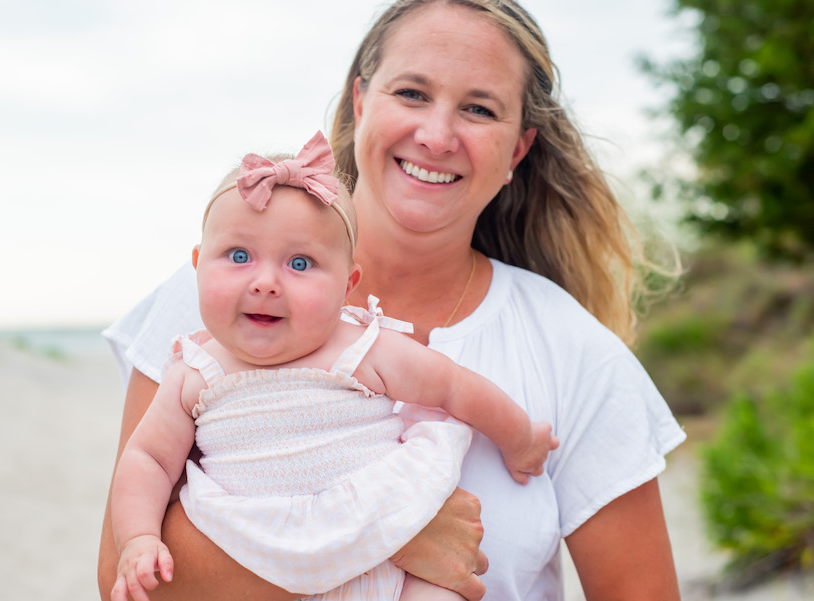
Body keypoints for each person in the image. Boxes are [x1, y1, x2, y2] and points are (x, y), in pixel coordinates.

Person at [97, 1, 687, 600]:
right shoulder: (218, 300)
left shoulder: (575, 351)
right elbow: (126, 577)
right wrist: (385, 536)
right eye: (411, 93)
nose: (435, 135)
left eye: (479, 109)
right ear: (360, 102)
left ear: (517, 149)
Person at [109, 131, 558, 601]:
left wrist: (520, 437)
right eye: (239, 256)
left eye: (300, 263)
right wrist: (138, 538)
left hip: (390, 550)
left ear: (348, 285)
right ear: (198, 266)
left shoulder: (364, 348)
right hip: (264, 558)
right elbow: (149, 459)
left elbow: (456, 388)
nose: (265, 282)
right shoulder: (195, 372)